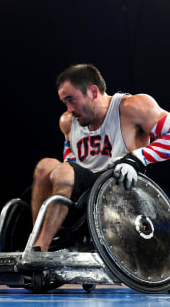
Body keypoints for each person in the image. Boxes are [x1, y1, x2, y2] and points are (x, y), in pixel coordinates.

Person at [31, 63, 170, 251]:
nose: (69, 108)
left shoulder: (132, 107)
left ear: (93, 92)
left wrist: (138, 158)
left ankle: (40, 250)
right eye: (65, 102)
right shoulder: (68, 122)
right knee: (44, 166)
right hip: (82, 195)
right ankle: (35, 242)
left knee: (63, 172)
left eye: (71, 100)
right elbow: (69, 159)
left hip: (118, 188)